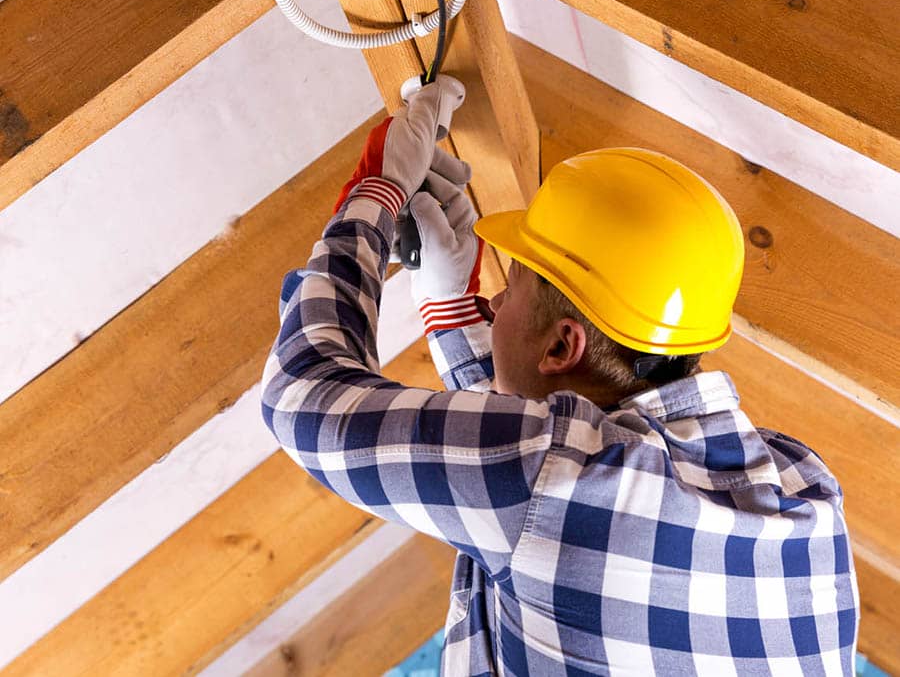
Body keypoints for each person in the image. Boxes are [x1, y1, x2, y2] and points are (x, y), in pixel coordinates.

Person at [261, 78, 858, 675]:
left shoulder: (554, 477)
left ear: (562, 345)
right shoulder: (802, 486)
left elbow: (301, 395)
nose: (492, 306)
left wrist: (373, 195)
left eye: (509, 286)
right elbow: (538, 482)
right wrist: (451, 312)